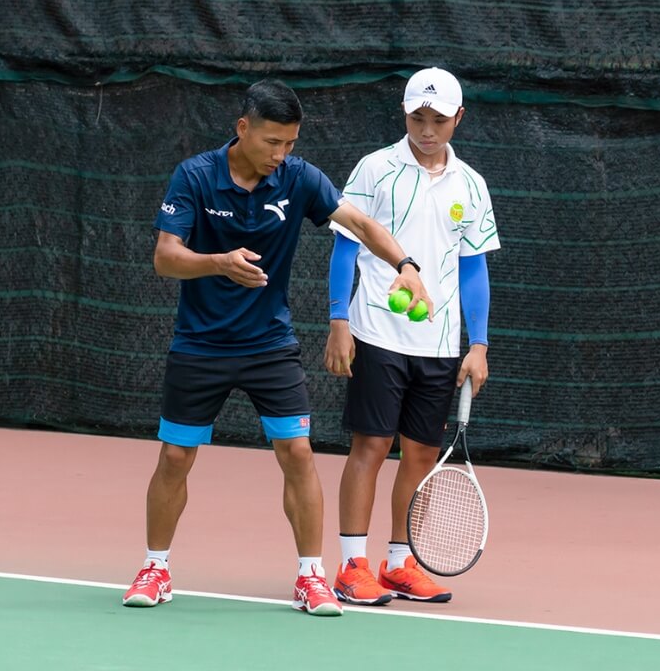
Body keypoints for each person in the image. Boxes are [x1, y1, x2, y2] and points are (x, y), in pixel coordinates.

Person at [121, 79, 433, 617]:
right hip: (200, 345)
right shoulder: (195, 177)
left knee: (298, 453)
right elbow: (165, 258)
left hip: (270, 345)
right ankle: (156, 566)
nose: (280, 154)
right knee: (175, 456)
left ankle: (311, 577)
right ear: (242, 129)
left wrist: (405, 266)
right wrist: (218, 262)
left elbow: (358, 222)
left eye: (289, 143)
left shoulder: (298, 178)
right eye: (271, 142)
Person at [324, 67, 499, 606]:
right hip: (376, 331)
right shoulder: (375, 170)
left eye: (439, 120)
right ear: (404, 114)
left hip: (442, 344)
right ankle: (353, 564)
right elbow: (346, 248)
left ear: (458, 119)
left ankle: (398, 564)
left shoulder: (471, 185)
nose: (427, 130)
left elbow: (474, 270)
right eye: (418, 118)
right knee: (370, 446)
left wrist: (478, 344)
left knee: (421, 454)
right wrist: (339, 321)